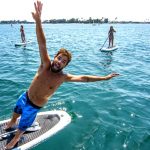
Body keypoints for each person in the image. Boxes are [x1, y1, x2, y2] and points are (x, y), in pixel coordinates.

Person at [5, 1, 119, 149]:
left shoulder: (63, 77)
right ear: (55, 57)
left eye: (63, 61)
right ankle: (11, 123)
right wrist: (38, 21)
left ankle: (14, 141)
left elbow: (85, 78)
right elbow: (42, 43)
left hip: (34, 106)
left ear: (65, 65)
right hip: (25, 96)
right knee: (15, 112)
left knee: (22, 127)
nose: (59, 62)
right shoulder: (45, 65)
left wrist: (105, 77)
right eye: (59, 58)